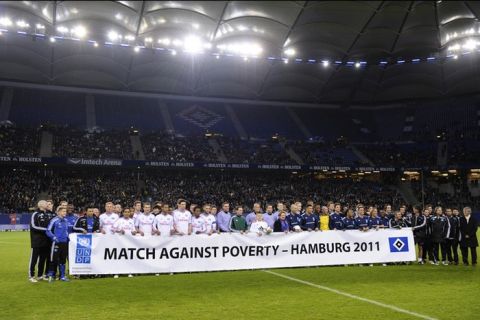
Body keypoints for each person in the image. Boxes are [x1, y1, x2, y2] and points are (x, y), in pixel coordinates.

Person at [46, 206, 70, 282]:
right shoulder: (54, 220)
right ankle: (51, 276)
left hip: (64, 243)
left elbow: (66, 231)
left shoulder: (66, 221)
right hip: (56, 243)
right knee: (53, 259)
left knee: (63, 260)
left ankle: (62, 276)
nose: (65, 213)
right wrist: (54, 238)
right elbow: (48, 230)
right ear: (59, 212)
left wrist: (68, 238)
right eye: (63, 211)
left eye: (65, 211)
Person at [29, 200, 50, 283]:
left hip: (45, 241)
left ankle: (40, 275)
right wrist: (46, 230)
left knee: (42, 259)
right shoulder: (35, 214)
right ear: (41, 205)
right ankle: (31, 276)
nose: (47, 205)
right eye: (46, 203)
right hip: (36, 240)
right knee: (34, 258)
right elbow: (33, 226)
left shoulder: (46, 215)